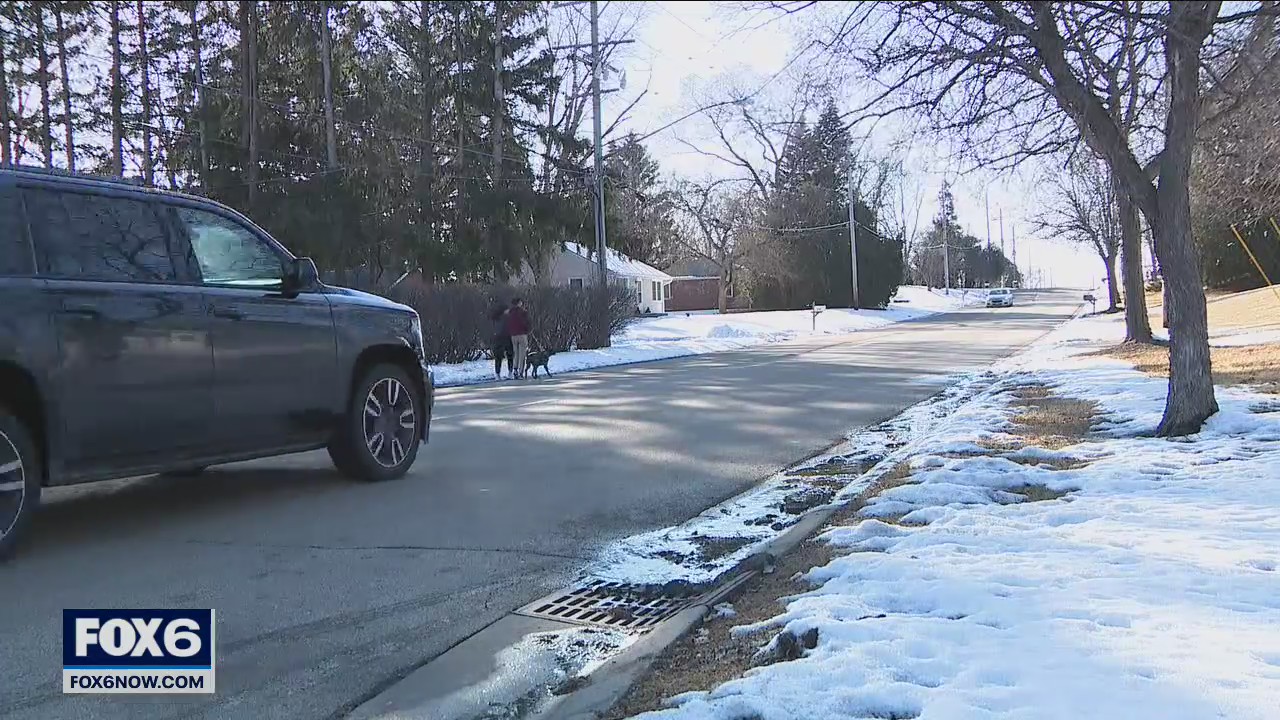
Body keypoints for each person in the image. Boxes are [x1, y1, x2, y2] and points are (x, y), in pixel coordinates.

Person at [505, 297, 531, 379]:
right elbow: (526, 322)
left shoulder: (509, 313)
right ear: (519, 303)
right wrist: (527, 329)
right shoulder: (523, 312)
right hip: (522, 334)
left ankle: (515, 369)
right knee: (522, 354)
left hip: (513, 335)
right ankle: (520, 372)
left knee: (515, 353)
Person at [490, 303, 514, 379]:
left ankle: (497, 373)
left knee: (498, 357)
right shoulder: (507, 317)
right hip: (507, 337)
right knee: (510, 355)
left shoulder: (495, 317)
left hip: (497, 338)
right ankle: (510, 372)